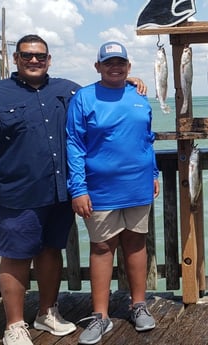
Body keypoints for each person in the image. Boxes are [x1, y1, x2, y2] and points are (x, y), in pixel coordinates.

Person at [0, 34, 146, 345]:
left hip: (59, 193)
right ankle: (14, 325)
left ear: (49, 60)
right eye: (27, 55)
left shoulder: (68, 90)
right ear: (16, 59)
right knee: (15, 256)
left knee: (50, 252)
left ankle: (46, 313)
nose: (34, 60)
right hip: (17, 192)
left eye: (40, 56)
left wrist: (129, 82)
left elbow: (101, 93)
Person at [66, 41, 160, 345]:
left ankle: (139, 305)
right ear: (97, 67)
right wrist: (78, 188)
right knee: (102, 248)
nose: (115, 67)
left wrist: (155, 173)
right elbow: (74, 145)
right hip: (99, 189)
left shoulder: (139, 95)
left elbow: (147, 138)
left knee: (136, 244)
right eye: (108, 63)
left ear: (129, 67)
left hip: (138, 185)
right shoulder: (84, 98)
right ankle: (101, 316)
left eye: (121, 63)